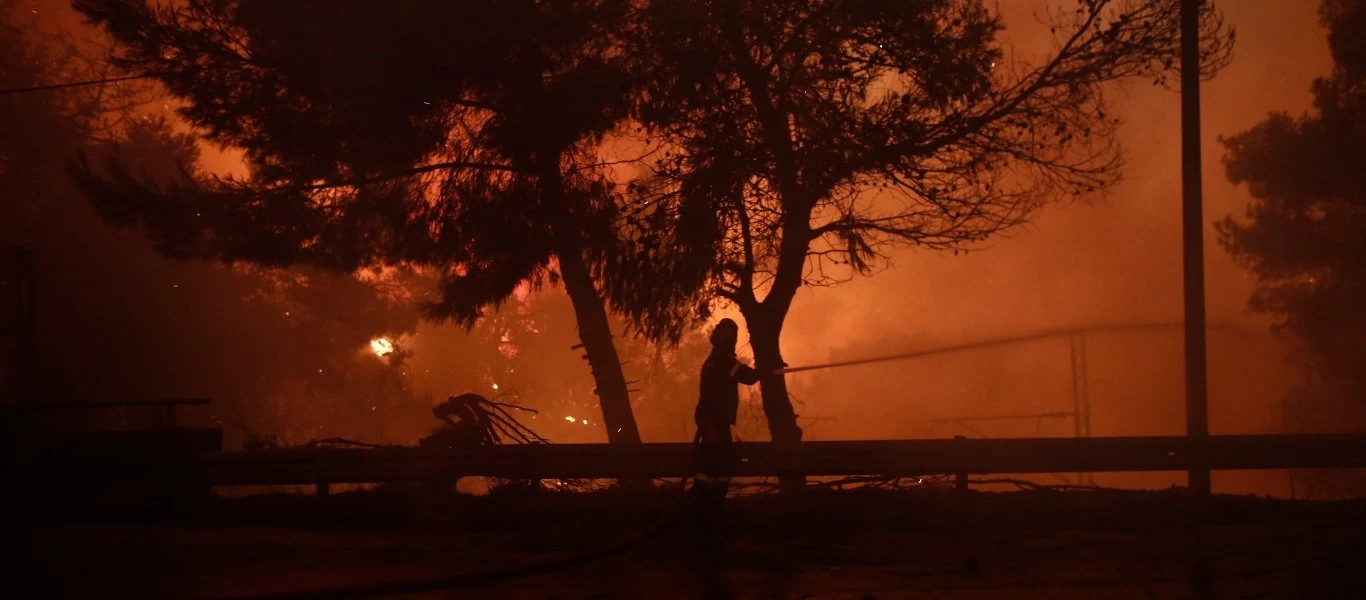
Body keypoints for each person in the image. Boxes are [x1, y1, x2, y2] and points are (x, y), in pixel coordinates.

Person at [691, 318, 759, 515]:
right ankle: (703, 508)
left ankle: (709, 507)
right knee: (714, 465)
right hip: (714, 421)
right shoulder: (724, 362)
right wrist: (768, 367)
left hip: (712, 420)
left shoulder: (715, 360)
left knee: (719, 464)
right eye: (730, 335)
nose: (731, 339)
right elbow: (749, 377)